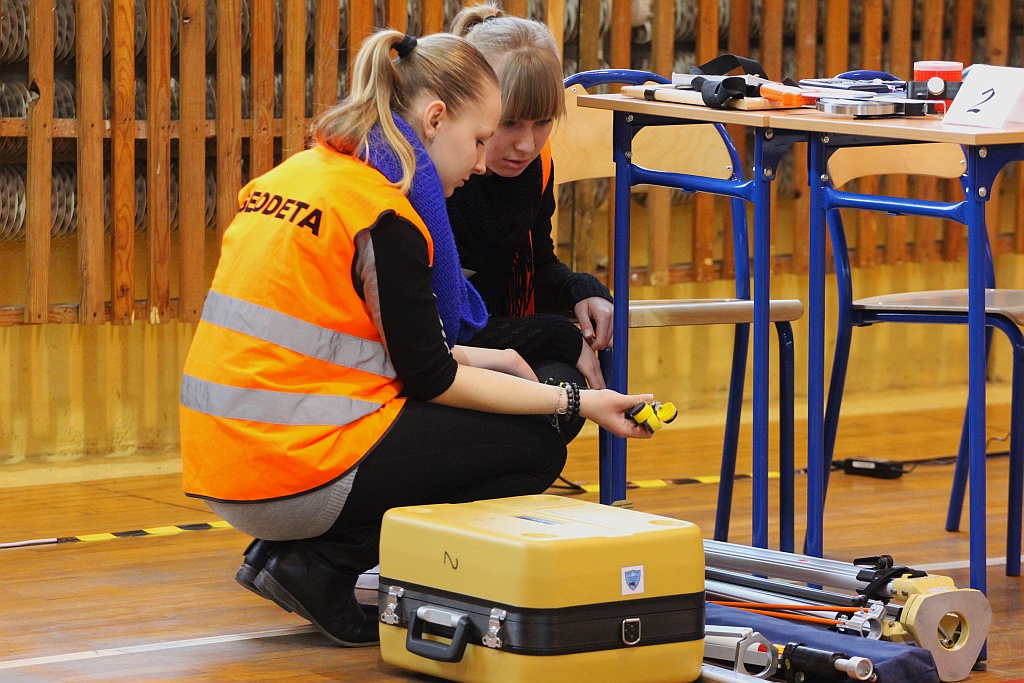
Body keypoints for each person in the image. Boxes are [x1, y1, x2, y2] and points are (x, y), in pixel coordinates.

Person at [179, 29, 656, 648]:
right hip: (286, 472)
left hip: (230, 461)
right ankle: (318, 566)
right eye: (480, 139)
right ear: (435, 119)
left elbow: (387, 348)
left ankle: (289, 554)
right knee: (535, 449)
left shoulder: (309, 173)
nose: (484, 161)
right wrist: (578, 403)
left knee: (505, 406)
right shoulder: (385, 217)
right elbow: (433, 378)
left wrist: (496, 356)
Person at [447, 5, 615, 441]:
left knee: (567, 391)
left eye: (543, 122)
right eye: (509, 123)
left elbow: (536, 264)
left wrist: (583, 289)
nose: (526, 144)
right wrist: (553, 334)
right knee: (528, 435)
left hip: (501, 338)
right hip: (447, 357)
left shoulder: (537, 165)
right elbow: (433, 332)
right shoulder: (440, 170)